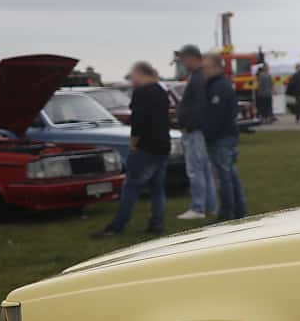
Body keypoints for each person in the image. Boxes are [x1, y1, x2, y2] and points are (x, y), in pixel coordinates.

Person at [91, 61, 171, 238]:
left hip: (145, 147)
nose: (131, 80)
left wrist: (134, 141)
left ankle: (117, 226)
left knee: (131, 187)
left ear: (142, 74)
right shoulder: (161, 91)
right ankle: (157, 223)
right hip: (162, 146)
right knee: (157, 188)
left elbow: (138, 120)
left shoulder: (141, 93)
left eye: (133, 76)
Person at [201, 52, 246, 221]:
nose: (203, 71)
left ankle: (227, 213)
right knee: (231, 176)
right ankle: (239, 209)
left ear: (215, 67)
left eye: (205, 67)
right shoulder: (218, 85)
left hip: (220, 139)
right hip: (225, 137)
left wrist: (206, 135)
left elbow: (216, 117)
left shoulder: (218, 87)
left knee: (224, 178)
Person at [174, 45, 213, 221]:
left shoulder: (197, 78)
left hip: (194, 131)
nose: (182, 64)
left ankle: (198, 207)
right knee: (204, 169)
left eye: (182, 60)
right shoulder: (201, 76)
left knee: (195, 170)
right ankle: (210, 205)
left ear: (191, 58)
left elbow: (197, 106)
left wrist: (188, 124)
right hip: (199, 130)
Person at [254, 57, 274, 122]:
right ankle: (265, 118)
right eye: (267, 67)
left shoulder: (268, 75)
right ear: (264, 68)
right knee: (264, 107)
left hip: (268, 94)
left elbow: (271, 84)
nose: (268, 68)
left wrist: (273, 90)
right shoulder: (262, 75)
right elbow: (260, 85)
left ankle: (267, 118)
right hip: (263, 94)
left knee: (268, 107)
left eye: (268, 67)